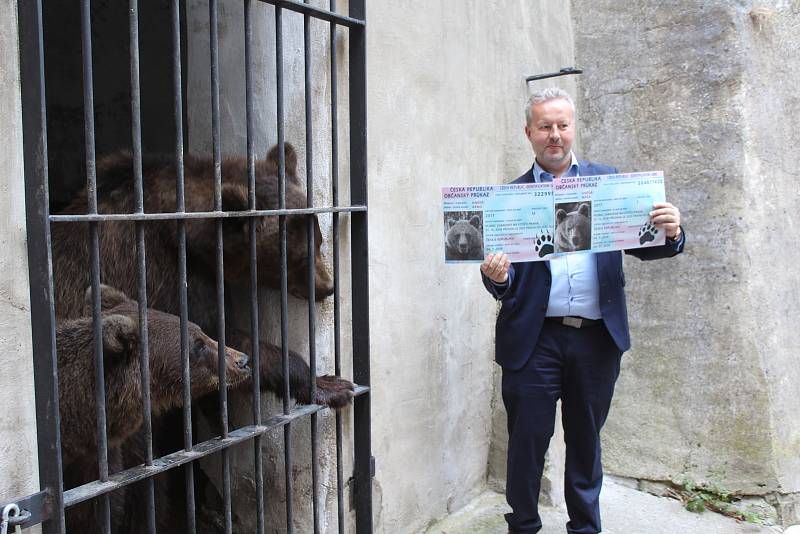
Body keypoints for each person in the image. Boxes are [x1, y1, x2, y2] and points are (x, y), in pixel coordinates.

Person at [480, 87, 684, 534]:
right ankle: (524, 526)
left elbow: (648, 249)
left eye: (562, 125)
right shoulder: (507, 200)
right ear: (529, 132)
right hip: (534, 340)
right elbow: (503, 278)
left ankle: (586, 528)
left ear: (572, 128)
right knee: (527, 444)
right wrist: (498, 278)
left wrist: (671, 232)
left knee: (586, 441)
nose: (555, 135)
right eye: (545, 127)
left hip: (596, 338)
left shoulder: (608, 183)